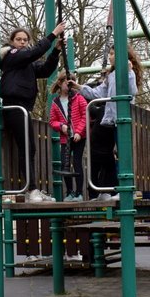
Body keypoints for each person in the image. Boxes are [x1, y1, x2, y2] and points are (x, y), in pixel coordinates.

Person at [0, 22, 65, 202]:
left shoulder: (26, 63)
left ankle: (33, 188)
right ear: (12, 42)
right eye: (18, 39)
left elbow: (44, 70)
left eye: (25, 40)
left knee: (30, 148)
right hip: (14, 106)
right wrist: (52, 35)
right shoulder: (11, 56)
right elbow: (32, 53)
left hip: (24, 108)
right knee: (27, 148)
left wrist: (56, 51)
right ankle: (31, 189)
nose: (22, 42)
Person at [71, 46, 142, 200]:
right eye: (109, 54)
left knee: (124, 154)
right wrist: (79, 88)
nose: (110, 57)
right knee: (114, 154)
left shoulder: (129, 72)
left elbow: (132, 91)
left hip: (124, 118)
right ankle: (118, 189)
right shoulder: (111, 75)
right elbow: (98, 93)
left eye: (112, 53)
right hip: (112, 120)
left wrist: (130, 73)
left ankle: (127, 189)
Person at [49, 70, 88, 201]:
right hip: (65, 137)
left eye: (71, 82)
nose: (68, 85)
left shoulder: (78, 98)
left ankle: (79, 193)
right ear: (60, 83)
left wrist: (78, 131)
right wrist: (61, 126)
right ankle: (70, 192)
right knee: (64, 163)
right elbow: (52, 121)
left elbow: (85, 115)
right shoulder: (56, 103)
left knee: (77, 162)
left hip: (78, 136)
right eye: (66, 82)